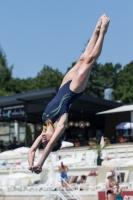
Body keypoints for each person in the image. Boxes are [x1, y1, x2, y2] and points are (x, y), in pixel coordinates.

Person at [28, 14, 110, 174]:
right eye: (48, 141)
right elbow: (51, 145)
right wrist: (41, 163)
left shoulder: (45, 126)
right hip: (74, 90)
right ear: (56, 138)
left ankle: (96, 28)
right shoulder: (60, 123)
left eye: (43, 142)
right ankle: (104, 30)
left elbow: (31, 150)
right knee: (90, 60)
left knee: (82, 58)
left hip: (64, 86)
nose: (44, 141)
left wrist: (31, 164)